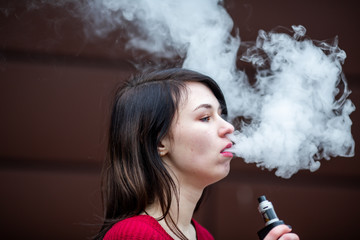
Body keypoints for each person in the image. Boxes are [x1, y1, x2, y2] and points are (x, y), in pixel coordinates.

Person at [94, 68, 299, 240]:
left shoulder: (202, 236)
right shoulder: (134, 234)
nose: (228, 127)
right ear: (159, 142)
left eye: (221, 115)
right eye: (205, 117)